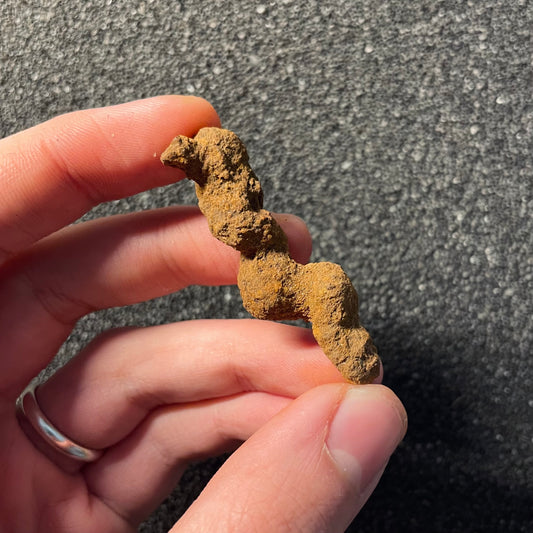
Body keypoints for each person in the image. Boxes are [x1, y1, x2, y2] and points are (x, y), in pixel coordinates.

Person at [0, 95, 407, 532]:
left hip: (272, 275)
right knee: (324, 282)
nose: (243, 183)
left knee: (326, 283)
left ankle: (349, 351)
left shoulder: (245, 211)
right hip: (269, 278)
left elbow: (241, 221)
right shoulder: (240, 217)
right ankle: (349, 352)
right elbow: (237, 224)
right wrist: (196, 164)